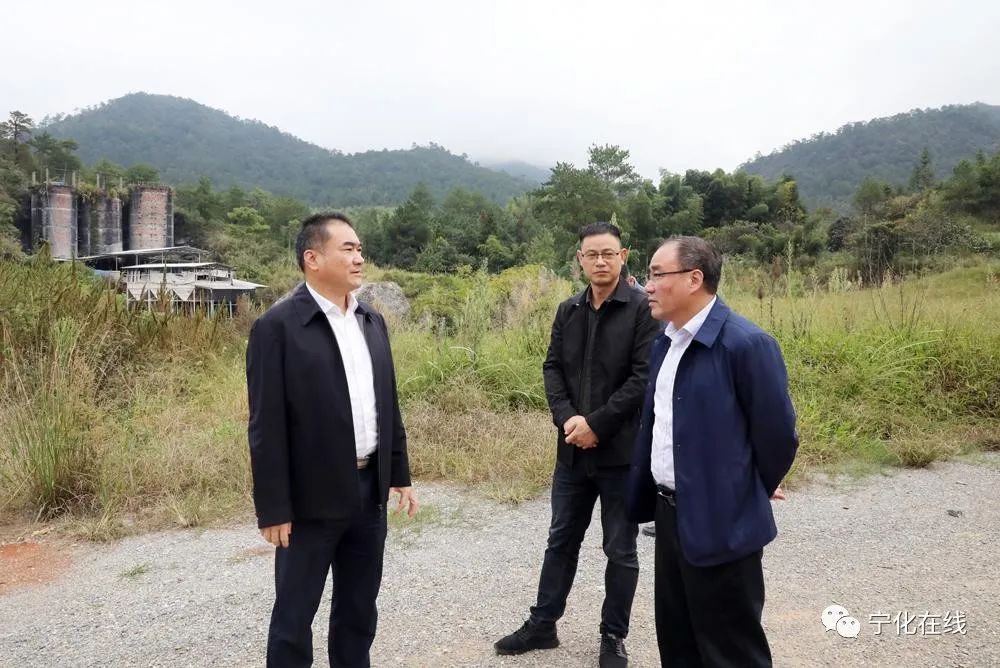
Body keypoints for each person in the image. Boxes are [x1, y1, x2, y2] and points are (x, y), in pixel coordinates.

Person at [246, 212, 417, 667]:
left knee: (359, 609)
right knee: (294, 615)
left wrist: (398, 473)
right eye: (348, 249)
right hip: (309, 498)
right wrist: (274, 507)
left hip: (368, 491)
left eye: (360, 249)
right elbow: (265, 425)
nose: (359, 258)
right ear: (313, 258)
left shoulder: (370, 320)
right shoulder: (278, 327)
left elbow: (387, 403)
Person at [495, 222, 661, 667]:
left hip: (620, 455)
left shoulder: (643, 309)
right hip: (571, 451)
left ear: (623, 255)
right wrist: (568, 418)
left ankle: (613, 636)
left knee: (620, 550)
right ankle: (543, 624)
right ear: (580, 259)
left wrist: (597, 425)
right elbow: (552, 368)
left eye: (609, 253)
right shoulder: (568, 310)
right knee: (561, 540)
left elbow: (643, 378)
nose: (600, 261)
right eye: (592, 254)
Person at [626, 236, 797, 667]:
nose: (648, 285)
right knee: (677, 639)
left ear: (694, 279)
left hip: (724, 519)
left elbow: (777, 436)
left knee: (730, 649)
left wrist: (745, 488)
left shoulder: (746, 344)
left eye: (657, 274)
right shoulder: (665, 342)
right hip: (669, 515)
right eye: (649, 275)